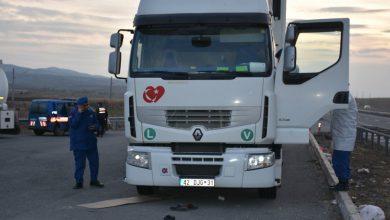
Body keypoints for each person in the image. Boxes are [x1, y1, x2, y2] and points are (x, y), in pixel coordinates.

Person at [69, 97, 104, 189]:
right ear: (79, 105)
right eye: (83, 106)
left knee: (94, 162)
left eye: (86, 105)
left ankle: (94, 180)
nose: (85, 107)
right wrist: (79, 113)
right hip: (78, 143)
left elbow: (97, 124)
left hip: (90, 142)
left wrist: (95, 127)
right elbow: (73, 124)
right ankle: (79, 182)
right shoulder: (74, 112)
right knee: (80, 164)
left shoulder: (91, 112)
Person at [330, 93, 358, 191]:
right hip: (341, 135)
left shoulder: (346, 96)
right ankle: (342, 182)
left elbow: (332, 102)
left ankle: (343, 183)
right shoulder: (342, 95)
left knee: (340, 162)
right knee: (338, 161)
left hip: (345, 136)